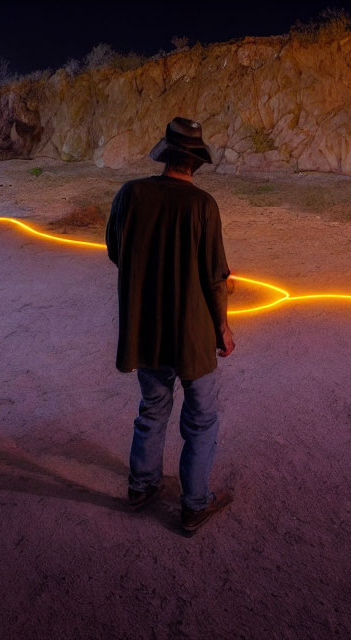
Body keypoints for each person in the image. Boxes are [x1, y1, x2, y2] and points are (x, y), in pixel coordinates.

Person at [105, 116, 235, 533]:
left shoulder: (131, 194)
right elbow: (215, 278)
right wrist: (223, 329)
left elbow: (115, 250)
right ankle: (194, 502)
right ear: (195, 163)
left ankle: (142, 486)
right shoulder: (202, 206)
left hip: (148, 328)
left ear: (166, 154)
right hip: (192, 335)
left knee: (153, 407)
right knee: (200, 418)